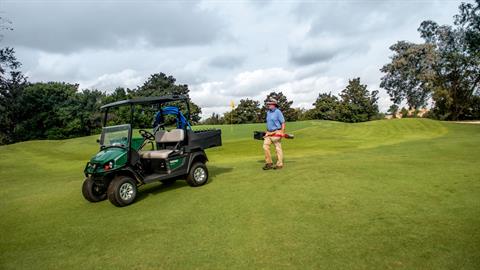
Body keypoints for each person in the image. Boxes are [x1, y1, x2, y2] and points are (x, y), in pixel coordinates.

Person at [263, 98, 285, 170]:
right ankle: (269, 163)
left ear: (274, 105)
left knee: (277, 148)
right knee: (265, 146)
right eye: (268, 104)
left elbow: (282, 122)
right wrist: (267, 132)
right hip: (269, 132)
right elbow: (268, 123)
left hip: (277, 131)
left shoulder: (278, 112)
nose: (268, 105)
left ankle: (279, 164)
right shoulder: (268, 112)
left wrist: (282, 131)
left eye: (269, 104)